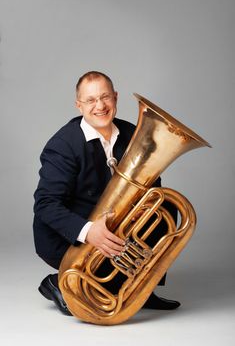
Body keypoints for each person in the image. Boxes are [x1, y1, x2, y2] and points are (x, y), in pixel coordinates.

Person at [33, 71, 180, 316]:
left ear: (115, 98)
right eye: (90, 100)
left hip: (114, 224)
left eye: (105, 97)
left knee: (164, 207)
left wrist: (143, 208)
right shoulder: (63, 144)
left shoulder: (132, 133)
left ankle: (141, 287)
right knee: (87, 294)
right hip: (69, 234)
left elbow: (153, 181)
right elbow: (46, 204)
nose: (99, 106)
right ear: (78, 105)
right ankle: (57, 282)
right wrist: (89, 231)